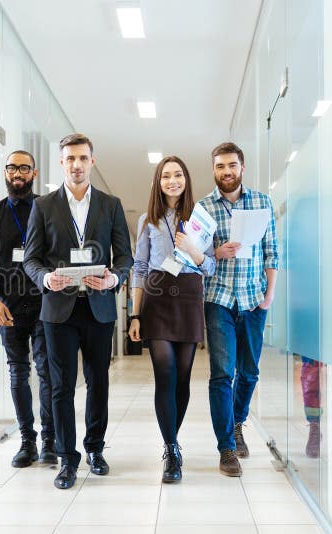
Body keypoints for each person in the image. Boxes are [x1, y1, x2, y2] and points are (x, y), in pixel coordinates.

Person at [23, 133, 133, 489]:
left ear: (92, 161)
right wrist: (46, 278)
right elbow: (31, 259)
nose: (76, 165)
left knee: (98, 382)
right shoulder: (44, 207)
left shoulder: (111, 205)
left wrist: (115, 279)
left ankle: (95, 450)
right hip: (59, 311)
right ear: (61, 162)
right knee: (61, 386)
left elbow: (125, 258)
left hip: (99, 308)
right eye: (70, 158)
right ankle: (67, 460)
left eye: (83, 158)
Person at [128, 155, 215, 483]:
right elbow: (139, 266)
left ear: (186, 179)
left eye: (178, 175)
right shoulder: (148, 220)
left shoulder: (200, 219)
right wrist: (135, 314)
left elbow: (210, 267)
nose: (172, 181)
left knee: (183, 376)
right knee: (164, 370)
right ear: (158, 182)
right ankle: (171, 448)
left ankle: (172, 439)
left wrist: (194, 251)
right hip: (157, 294)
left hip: (189, 295)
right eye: (166, 176)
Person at [198, 141, 279, 477]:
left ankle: (237, 422)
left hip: (253, 299)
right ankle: (226, 448)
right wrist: (215, 253)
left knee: (249, 373)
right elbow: (192, 258)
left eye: (231, 165)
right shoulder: (203, 208)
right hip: (218, 299)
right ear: (214, 170)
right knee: (222, 374)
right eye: (220, 166)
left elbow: (272, 251)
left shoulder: (262, 202)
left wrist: (269, 295)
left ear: (241, 168)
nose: (226, 172)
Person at [0, 150, 56, 468]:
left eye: (24, 168)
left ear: (34, 174)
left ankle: (50, 439)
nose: (17, 173)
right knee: (17, 373)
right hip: (8, 307)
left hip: (43, 302)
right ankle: (27, 440)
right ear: (5, 172)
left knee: (47, 372)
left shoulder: (48, 210)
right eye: (12, 167)